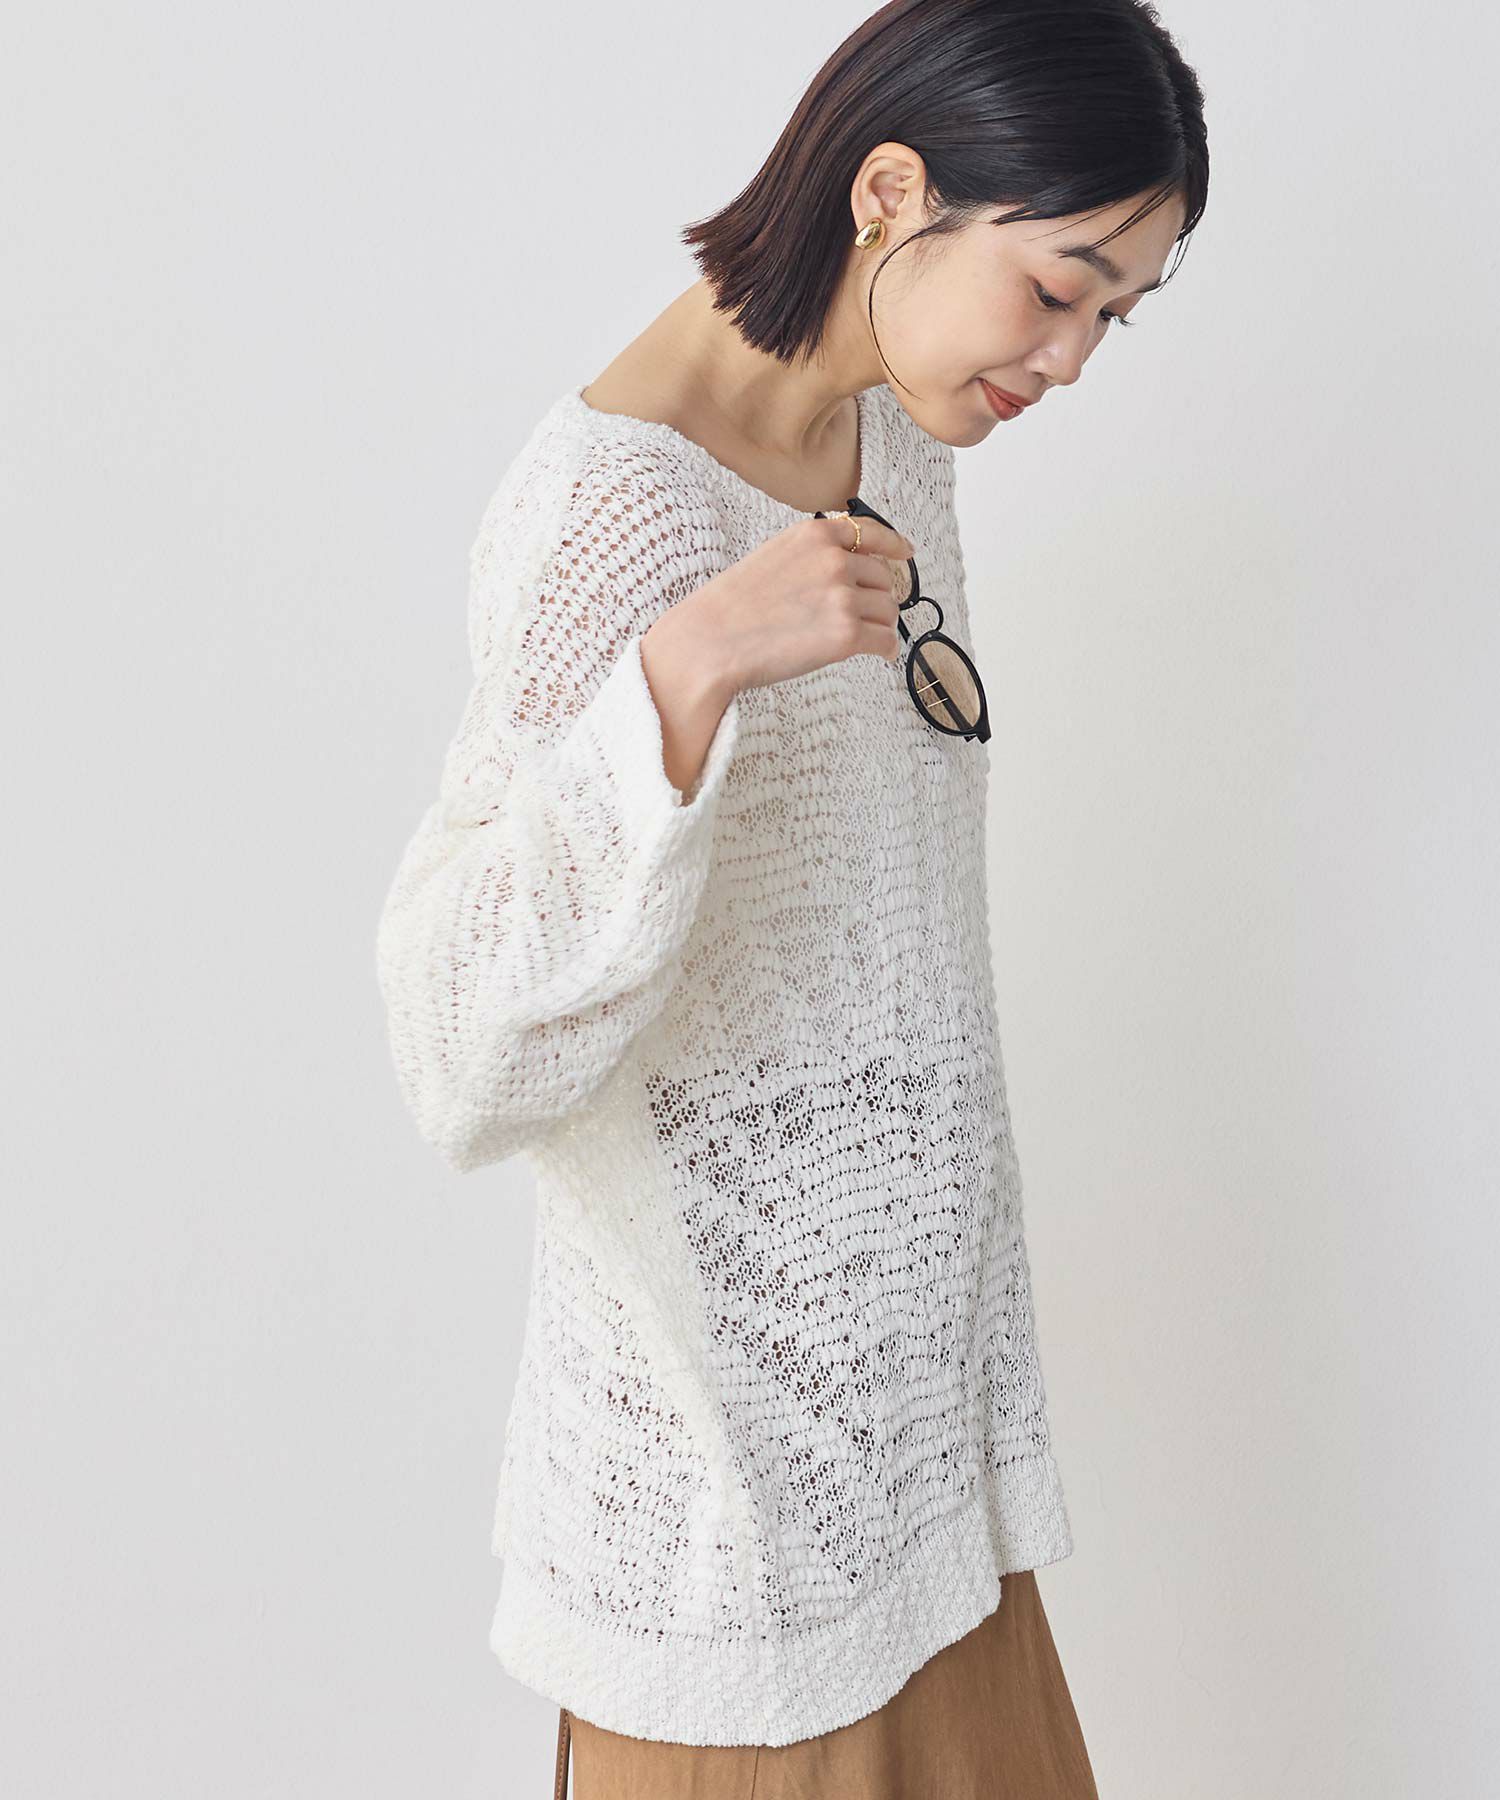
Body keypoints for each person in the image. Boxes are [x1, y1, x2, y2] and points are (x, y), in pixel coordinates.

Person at [374, 1, 1209, 1792]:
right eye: (1058, 289)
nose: (1072, 358)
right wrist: (678, 683)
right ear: (892, 193)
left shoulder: (897, 442)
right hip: (729, 1560)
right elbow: (459, 1057)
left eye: (1116, 317)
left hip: (932, 1500)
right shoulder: (607, 513)